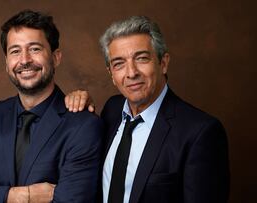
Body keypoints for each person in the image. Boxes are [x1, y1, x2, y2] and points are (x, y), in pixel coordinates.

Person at [66, 16, 230, 203]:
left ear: (163, 63)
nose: (131, 73)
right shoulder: (112, 110)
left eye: (142, 58)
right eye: (119, 64)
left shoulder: (201, 132)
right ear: (111, 74)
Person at [0, 10, 102, 203]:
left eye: (35, 49)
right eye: (15, 51)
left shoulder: (83, 125)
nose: (25, 60)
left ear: (56, 57)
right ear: (6, 63)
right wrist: (20, 196)